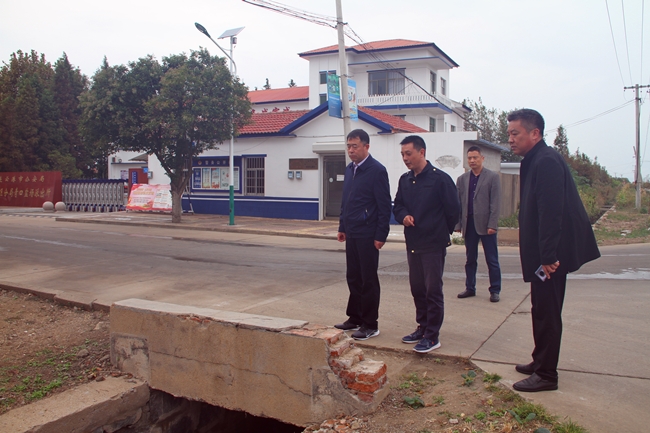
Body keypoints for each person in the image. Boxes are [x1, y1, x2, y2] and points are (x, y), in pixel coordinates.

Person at [507, 109, 600, 392]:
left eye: (515, 133)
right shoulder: (535, 159)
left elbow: (551, 213)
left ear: (535, 133)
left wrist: (548, 257)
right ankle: (540, 361)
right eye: (509, 133)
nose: (510, 139)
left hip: (551, 256)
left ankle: (547, 375)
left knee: (547, 312)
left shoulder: (546, 161)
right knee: (540, 309)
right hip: (544, 253)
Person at [393, 135, 460, 353]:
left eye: (408, 153)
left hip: (433, 244)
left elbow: (453, 210)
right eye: (402, 154)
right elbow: (398, 206)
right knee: (417, 288)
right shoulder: (405, 180)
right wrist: (403, 216)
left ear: (422, 152)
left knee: (433, 291)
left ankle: (432, 336)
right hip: (413, 242)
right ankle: (422, 327)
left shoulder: (440, 179)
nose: (405, 158)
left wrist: (439, 230)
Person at [335, 129, 391, 341]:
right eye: (348, 146)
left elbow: (384, 206)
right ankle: (355, 317)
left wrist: (381, 235)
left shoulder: (377, 170)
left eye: (355, 146)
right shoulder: (350, 169)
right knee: (353, 277)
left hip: (368, 234)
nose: (351, 150)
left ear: (366, 146)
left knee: (368, 280)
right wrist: (342, 226)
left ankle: (370, 324)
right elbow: (346, 201)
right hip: (352, 232)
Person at [455, 146, 502, 302]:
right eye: (469, 158)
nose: (472, 160)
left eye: (475, 157)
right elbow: (458, 203)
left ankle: (495, 290)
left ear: (482, 158)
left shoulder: (492, 177)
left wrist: (492, 224)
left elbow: (495, 203)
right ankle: (470, 287)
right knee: (470, 259)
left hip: (486, 225)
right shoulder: (462, 179)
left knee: (492, 260)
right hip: (469, 224)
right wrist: (458, 224)